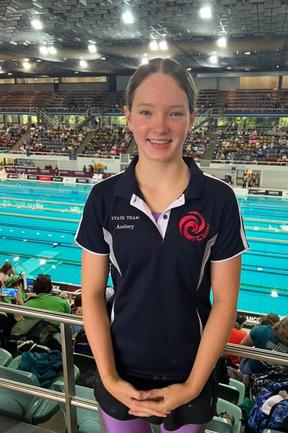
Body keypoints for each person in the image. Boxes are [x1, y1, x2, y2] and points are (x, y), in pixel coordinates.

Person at [75, 58, 248, 433]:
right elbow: (90, 294)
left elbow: (226, 303)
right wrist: (110, 377)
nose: (159, 126)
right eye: (146, 111)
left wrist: (192, 386)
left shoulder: (219, 200)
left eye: (174, 113)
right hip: (120, 371)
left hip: (191, 371)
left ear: (191, 117)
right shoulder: (104, 198)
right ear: (128, 116)